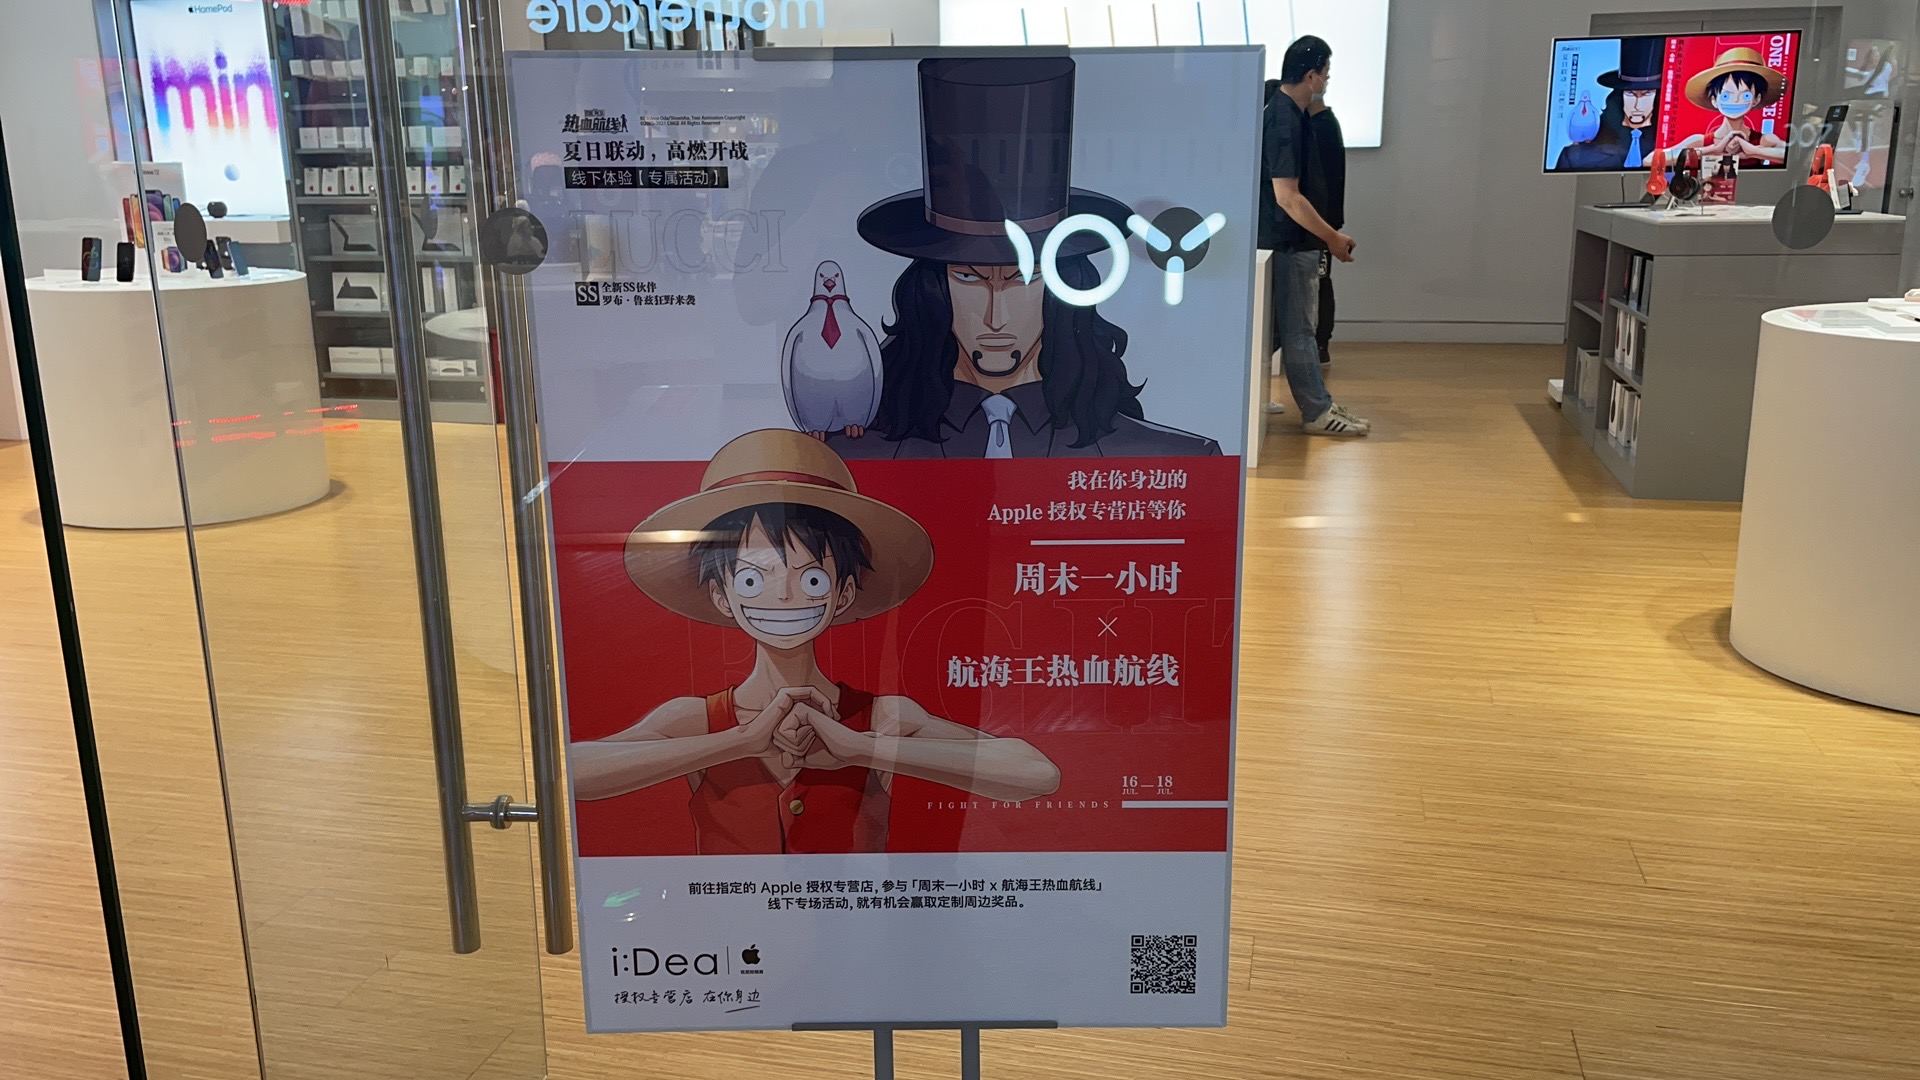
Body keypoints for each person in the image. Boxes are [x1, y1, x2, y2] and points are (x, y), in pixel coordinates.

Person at [571, 429, 1062, 854]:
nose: (784, 596)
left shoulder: (881, 718)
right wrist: (737, 742)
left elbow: (1037, 774)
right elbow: (572, 774)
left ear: (843, 593)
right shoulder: (696, 719)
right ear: (722, 596)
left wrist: (862, 749)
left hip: (859, 926)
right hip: (732, 927)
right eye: (752, 580)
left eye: (811, 579)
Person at [837, 57, 1219, 459]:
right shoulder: (851, 458)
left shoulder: (1172, 459)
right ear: (933, 291)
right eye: (968, 278)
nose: (994, 317)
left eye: (1023, 278)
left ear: (1063, 287)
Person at [1261, 37, 1368, 436]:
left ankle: (1259, 398)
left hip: (1294, 242)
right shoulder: (1284, 119)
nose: (1326, 80)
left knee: (1278, 330)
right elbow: (1287, 197)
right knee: (1300, 331)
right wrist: (1332, 238)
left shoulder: (1291, 113)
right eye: (1325, 73)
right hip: (1291, 243)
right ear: (1311, 76)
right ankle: (1317, 412)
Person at [1660, 48, 1788, 166]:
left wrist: (1753, 151)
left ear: (1756, 99)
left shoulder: (1763, 140)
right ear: (1714, 100)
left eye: (1746, 96)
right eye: (1726, 96)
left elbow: (1793, 155)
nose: (1736, 100)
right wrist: (1713, 149)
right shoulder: (1701, 141)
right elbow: (1653, 159)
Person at [1554, 38, 1664, 171]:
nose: (1636, 105)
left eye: (1647, 94)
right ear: (1620, 96)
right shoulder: (1576, 157)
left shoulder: (1673, 149)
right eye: (1630, 94)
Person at [1307, 91, 1346, 370]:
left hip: (1319, 223)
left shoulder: (1322, 127)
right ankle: (1319, 345)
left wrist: (1327, 230)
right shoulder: (1321, 124)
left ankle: (1320, 345)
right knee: (1319, 281)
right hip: (1320, 222)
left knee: (1320, 281)